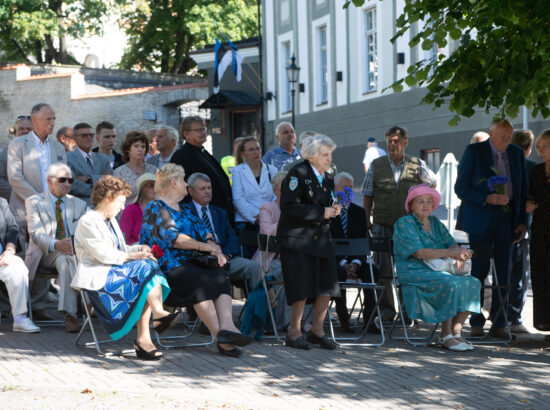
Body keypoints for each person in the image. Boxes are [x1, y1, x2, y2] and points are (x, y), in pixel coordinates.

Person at [140, 164, 253, 358]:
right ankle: (221, 338)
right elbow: (174, 239)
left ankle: (228, 327)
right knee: (201, 280)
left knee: (220, 273)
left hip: (192, 263)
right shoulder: (156, 207)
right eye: (184, 180)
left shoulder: (185, 208)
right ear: (174, 182)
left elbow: (205, 232)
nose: (186, 184)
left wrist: (214, 248)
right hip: (169, 267)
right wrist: (204, 247)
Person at [71, 175, 176, 361]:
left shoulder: (110, 220)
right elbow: (103, 255)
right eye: (120, 202)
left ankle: (146, 335)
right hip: (99, 276)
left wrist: (138, 248)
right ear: (109, 197)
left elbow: (120, 249)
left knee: (148, 268)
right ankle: (152, 325)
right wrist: (135, 256)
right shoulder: (88, 221)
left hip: (115, 271)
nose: (122, 207)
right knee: (146, 269)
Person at [455, 119, 528, 338]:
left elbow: (523, 188)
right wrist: (486, 198)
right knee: (479, 270)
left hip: (507, 220)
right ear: (491, 134)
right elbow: (461, 188)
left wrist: (523, 220)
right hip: (480, 220)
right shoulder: (475, 151)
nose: (505, 141)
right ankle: (476, 320)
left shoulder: (516, 153)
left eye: (509, 136)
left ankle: (499, 321)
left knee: (504, 271)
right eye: (501, 136)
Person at [393, 184, 481, 351]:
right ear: (411, 205)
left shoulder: (435, 223)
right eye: (420, 202)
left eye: (428, 201)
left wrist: (458, 253)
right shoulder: (404, 223)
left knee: (473, 282)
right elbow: (419, 253)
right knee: (449, 283)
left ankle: (456, 332)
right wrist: (451, 252)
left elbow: (451, 242)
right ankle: (445, 334)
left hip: (440, 268)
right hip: (414, 271)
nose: (426, 205)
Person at [361, 125, 436, 320]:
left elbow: (432, 184)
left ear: (405, 142)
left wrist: (424, 210)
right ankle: (386, 310)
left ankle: (408, 311)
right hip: (382, 223)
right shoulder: (376, 165)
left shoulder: (416, 164)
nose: (392, 145)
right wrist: (366, 219)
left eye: (396, 141)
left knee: (408, 268)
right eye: (389, 141)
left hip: (409, 226)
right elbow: (367, 195)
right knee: (383, 269)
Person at [277, 134, 341, 350]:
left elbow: (327, 201)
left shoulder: (328, 175)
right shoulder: (298, 173)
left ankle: (317, 331)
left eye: (330, 154)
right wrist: (321, 212)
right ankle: (294, 333)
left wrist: (334, 209)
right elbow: (288, 206)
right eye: (325, 154)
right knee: (301, 287)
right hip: (298, 240)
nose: (329, 158)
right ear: (312, 155)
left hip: (321, 239)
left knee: (327, 286)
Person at [7, 103, 67, 321]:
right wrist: (40, 200)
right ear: (34, 120)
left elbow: (64, 177)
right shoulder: (18, 144)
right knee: (22, 260)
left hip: (51, 213)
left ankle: (39, 306)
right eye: (48, 119)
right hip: (23, 211)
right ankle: (18, 308)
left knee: (46, 254)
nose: (52, 123)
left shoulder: (59, 148)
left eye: (54, 118)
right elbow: (15, 178)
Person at [24, 163, 87, 333]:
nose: (67, 184)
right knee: (65, 256)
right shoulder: (34, 202)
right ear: (49, 181)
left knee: (65, 260)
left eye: (70, 180)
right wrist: (56, 244)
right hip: (44, 252)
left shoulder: (79, 204)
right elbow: (36, 234)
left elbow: (83, 232)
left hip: (69, 254)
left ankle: (71, 314)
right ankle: (87, 303)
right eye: (62, 180)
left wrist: (70, 245)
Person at [187, 172, 261, 292]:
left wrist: (225, 256)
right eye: (202, 189)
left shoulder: (220, 213)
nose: (207, 191)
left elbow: (232, 237)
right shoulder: (185, 212)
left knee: (254, 267)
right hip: (201, 261)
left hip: (225, 259)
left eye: (209, 188)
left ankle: (258, 309)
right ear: (190, 191)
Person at [329, 172, 373, 334]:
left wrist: (356, 263)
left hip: (356, 259)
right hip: (335, 260)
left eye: (350, 187)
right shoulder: (327, 211)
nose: (348, 190)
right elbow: (327, 244)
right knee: (337, 273)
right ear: (334, 189)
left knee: (372, 272)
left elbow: (363, 242)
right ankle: (344, 320)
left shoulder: (359, 212)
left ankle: (369, 320)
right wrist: (343, 263)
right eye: (344, 187)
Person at [170, 116, 234, 218]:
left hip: (219, 214)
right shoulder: (181, 156)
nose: (203, 132)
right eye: (198, 130)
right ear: (186, 134)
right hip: (201, 216)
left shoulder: (203, 152)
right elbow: (180, 190)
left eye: (204, 129)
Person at [251, 171, 289, 330]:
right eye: (283, 187)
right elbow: (266, 232)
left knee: (311, 272)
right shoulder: (267, 208)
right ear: (275, 191)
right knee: (285, 272)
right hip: (271, 258)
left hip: (293, 256)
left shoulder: (301, 208)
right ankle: (284, 323)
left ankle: (304, 321)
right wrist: (289, 218)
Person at [508, 129, 537, 333]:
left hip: (500, 225)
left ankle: (500, 315)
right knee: (519, 273)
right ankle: (514, 318)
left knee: (502, 272)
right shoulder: (533, 168)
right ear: (528, 147)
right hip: (523, 227)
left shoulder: (502, 165)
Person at [0, 196, 40, 333]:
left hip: (2, 257)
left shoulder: (1, 202)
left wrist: (10, 249)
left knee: (18, 267)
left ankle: (20, 318)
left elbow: (12, 227)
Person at [526, 129, 550, 331]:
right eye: (539, 147)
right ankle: (545, 323)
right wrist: (530, 203)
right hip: (540, 230)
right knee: (541, 275)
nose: (541, 151)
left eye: (545, 147)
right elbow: (532, 195)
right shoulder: (537, 170)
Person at [232, 137, 277, 232]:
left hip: (270, 221)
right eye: (251, 150)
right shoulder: (237, 171)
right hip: (245, 223)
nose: (256, 152)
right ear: (243, 154)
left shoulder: (272, 170)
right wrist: (256, 216)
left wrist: (266, 216)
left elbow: (276, 195)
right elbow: (238, 198)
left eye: (258, 148)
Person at [67, 122, 113, 206]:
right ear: (75, 139)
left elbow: (110, 182)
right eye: (84, 135)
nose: (88, 138)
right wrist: (100, 188)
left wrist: (89, 179)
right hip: (80, 207)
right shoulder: (67, 159)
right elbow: (72, 185)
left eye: (91, 135)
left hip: (103, 207)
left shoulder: (103, 159)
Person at [456, 131, 490, 231]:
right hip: (470, 215)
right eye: (475, 145)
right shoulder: (467, 162)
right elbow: (461, 189)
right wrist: (485, 198)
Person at [114, 131, 157, 205]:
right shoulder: (119, 172)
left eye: (143, 146)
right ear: (128, 149)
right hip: (127, 212)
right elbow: (115, 198)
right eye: (136, 146)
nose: (140, 149)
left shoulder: (153, 170)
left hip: (149, 212)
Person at [0, 115, 33, 200]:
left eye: (29, 129)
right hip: (14, 205)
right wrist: (18, 194)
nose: (25, 131)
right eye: (21, 129)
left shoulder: (44, 153)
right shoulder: (4, 153)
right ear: (15, 132)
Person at [120, 173, 157, 245]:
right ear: (142, 189)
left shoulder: (162, 209)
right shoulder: (131, 210)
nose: (155, 188)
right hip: (137, 252)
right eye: (151, 186)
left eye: (157, 186)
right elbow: (124, 239)